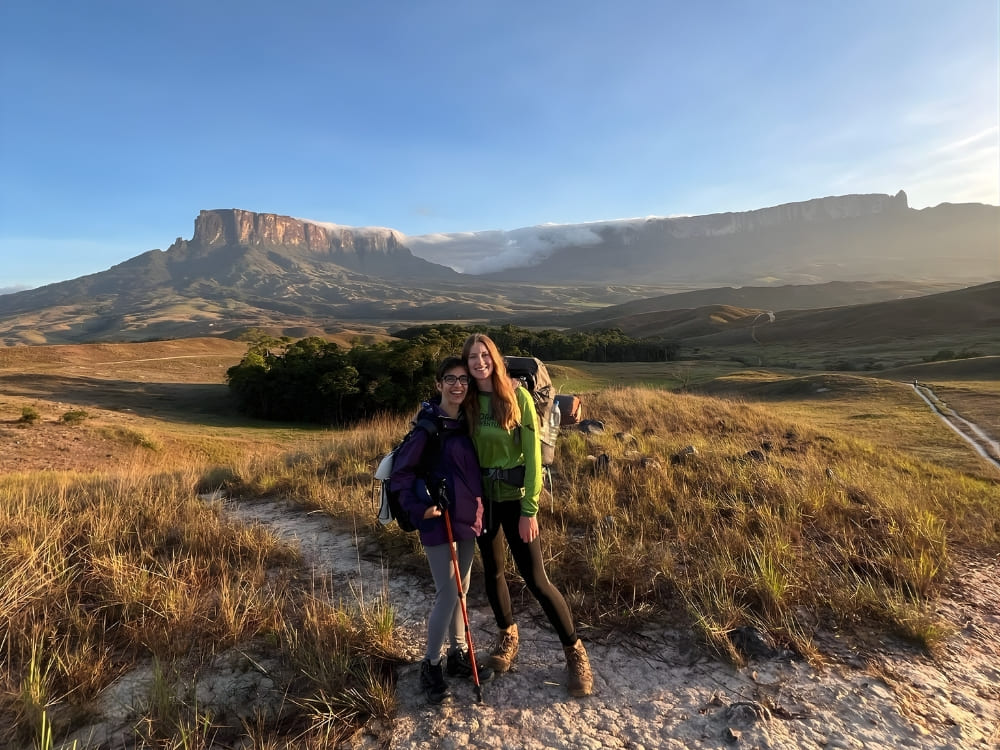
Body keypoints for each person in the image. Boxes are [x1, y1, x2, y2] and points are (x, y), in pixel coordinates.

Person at [461, 333, 594, 697]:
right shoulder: (468, 402)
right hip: (483, 501)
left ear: (495, 359)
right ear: (466, 363)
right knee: (494, 572)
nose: (479, 362)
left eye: (484, 355)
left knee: (537, 580)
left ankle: (575, 652)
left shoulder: (517, 396)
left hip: (517, 499)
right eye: (472, 357)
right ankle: (508, 637)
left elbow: (533, 458)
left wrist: (529, 509)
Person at [389, 357, 489, 704]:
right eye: (451, 379)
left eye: (463, 379)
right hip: (438, 520)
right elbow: (401, 475)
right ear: (438, 383)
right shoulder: (427, 428)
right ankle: (430, 665)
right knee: (447, 594)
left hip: (467, 517)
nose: (458, 385)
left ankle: (457, 656)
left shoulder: (470, 421)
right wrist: (419, 509)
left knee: (461, 589)